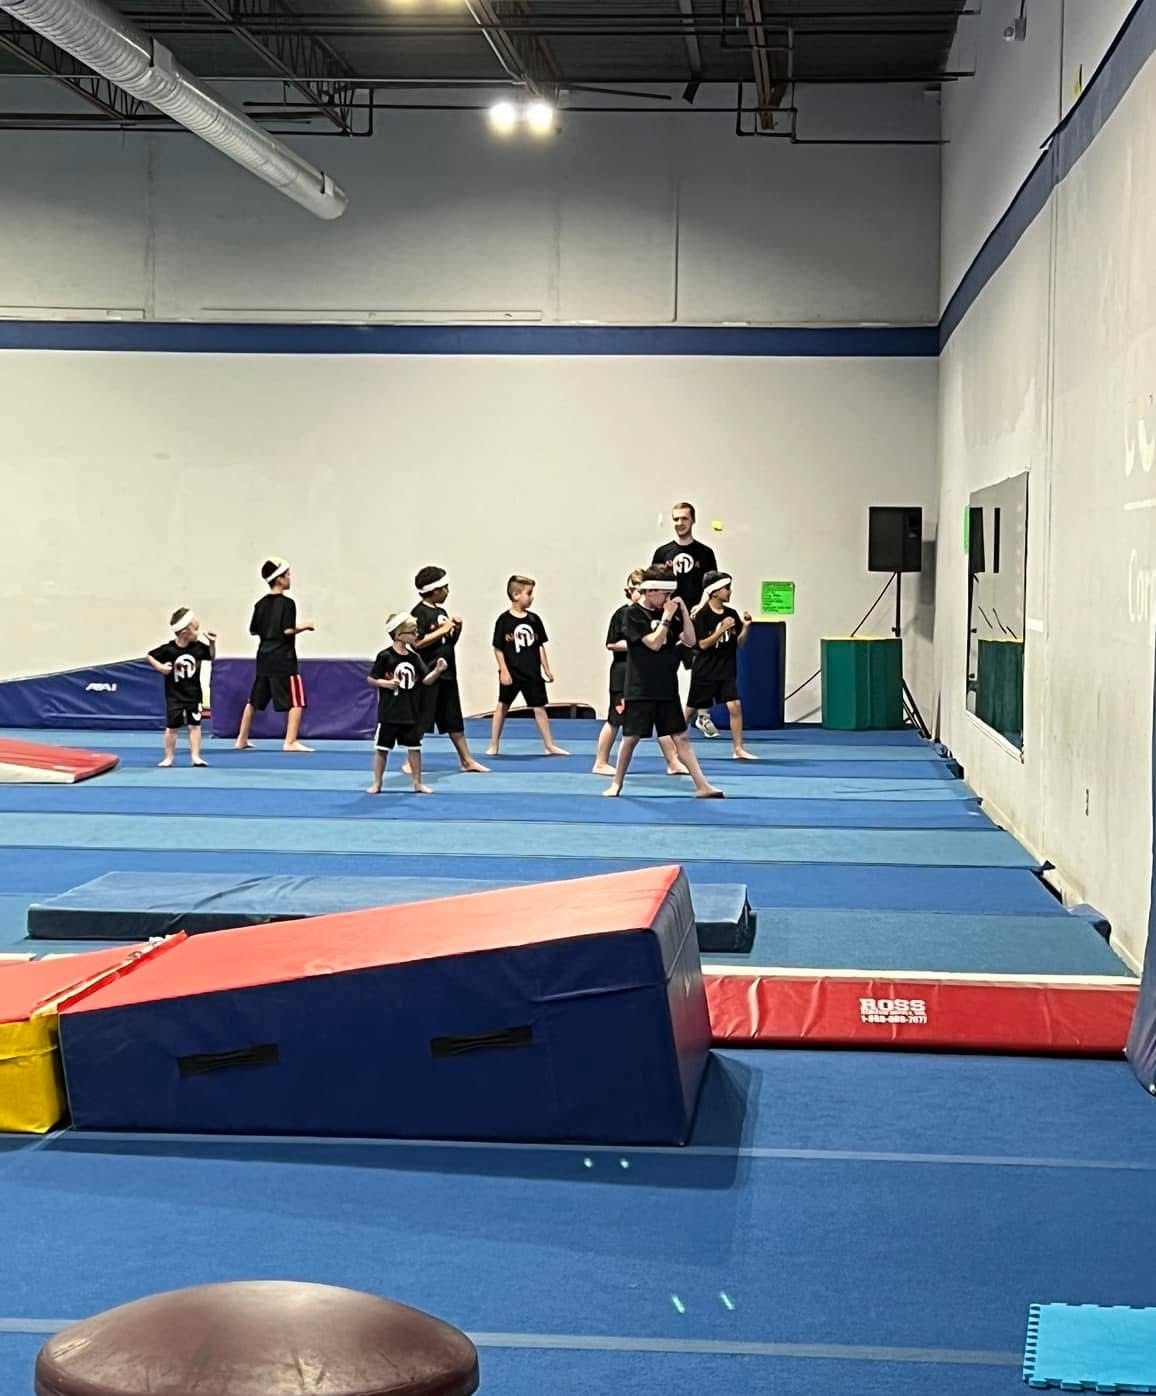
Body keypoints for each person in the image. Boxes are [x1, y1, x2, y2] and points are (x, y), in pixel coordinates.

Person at [604, 568, 723, 799]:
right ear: (650, 591)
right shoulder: (633, 615)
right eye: (664, 594)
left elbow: (690, 640)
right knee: (631, 738)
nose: (668, 600)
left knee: (681, 737)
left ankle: (702, 785)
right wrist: (667, 617)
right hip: (640, 688)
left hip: (667, 686)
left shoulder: (672, 610)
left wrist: (684, 613)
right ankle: (617, 783)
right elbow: (654, 643)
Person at [593, 568, 687, 778]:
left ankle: (673, 760)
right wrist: (638, 643)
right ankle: (601, 760)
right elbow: (611, 643)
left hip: (648, 674)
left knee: (662, 722)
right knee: (616, 720)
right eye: (636, 589)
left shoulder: (653, 614)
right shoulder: (625, 614)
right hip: (624, 672)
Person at [405, 566, 488, 774]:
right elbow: (417, 643)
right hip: (429, 675)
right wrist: (444, 628)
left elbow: (447, 642)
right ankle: (410, 762)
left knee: (453, 718)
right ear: (434, 590)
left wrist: (455, 630)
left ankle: (466, 760)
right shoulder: (419, 613)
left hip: (448, 673)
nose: (448, 592)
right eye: (445, 588)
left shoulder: (441, 612)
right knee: (422, 719)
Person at [651, 501, 721, 736]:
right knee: (666, 665)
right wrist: (666, 611)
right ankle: (661, 712)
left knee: (701, 667)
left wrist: (700, 609)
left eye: (684, 519)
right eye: (676, 519)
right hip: (670, 617)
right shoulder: (663, 553)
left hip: (695, 618)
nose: (679, 523)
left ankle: (702, 714)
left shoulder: (705, 553)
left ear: (693, 520)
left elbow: (711, 586)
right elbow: (655, 585)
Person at [234, 557, 314, 753]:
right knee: (296, 700)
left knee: (254, 700)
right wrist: (305, 626)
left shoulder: (260, 604)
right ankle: (290, 741)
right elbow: (287, 630)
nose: (290, 578)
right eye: (287, 575)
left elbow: (254, 630)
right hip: (283, 657)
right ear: (279, 579)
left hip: (263, 656)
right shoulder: (288, 603)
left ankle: (241, 738)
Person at [366, 613, 447, 796]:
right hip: (389, 712)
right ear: (399, 634)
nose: (416, 635)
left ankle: (417, 782)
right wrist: (384, 683)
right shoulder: (385, 656)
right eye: (412, 632)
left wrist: (438, 670)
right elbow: (371, 678)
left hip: (410, 712)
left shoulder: (414, 657)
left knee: (414, 748)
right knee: (382, 749)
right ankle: (377, 782)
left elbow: (426, 680)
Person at [488, 575, 568, 758]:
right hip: (512, 671)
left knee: (539, 707)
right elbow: (498, 648)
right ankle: (494, 744)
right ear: (516, 595)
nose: (532, 597)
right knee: (503, 706)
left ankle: (549, 744)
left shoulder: (534, 620)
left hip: (531, 671)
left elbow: (539, 646)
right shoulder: (504, 620)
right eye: (529, 593)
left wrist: (546, 668)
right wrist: (504, 671)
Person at [687, 571, 758, 761]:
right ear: (715, 592)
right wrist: (721, 630)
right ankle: (673, 745)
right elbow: (702, 644)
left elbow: (738, 643)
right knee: (690, 709)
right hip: (706, 669)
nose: (730, 592)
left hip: (726, 668)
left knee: (735, 706)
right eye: (726, 588)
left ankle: (738, 748)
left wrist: (746, 627)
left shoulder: (731, 613)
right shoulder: (701, 615)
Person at [146, 608, 216, 768]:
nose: (197, 632)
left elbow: (210, 656)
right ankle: (168, 757)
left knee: (195, 725)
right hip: (174, 695)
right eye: (195, 629)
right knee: (172, 727)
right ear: (184, 632)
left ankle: (196, 756)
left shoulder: (198, 648)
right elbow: (149, 655)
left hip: (193, 694)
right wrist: (160, 667)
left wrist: (212, 643)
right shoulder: (169, 649)